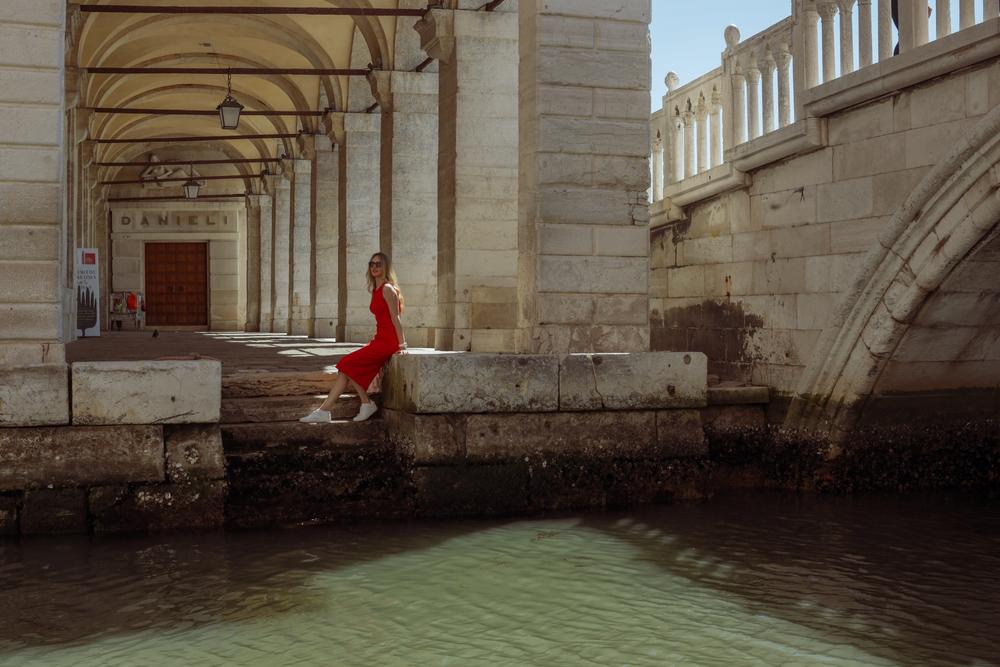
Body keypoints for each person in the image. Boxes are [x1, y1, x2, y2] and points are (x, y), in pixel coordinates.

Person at [300, 252, 407, 423]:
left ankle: (334, 410)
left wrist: (402, 345)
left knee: (346, 363)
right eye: (371, 264)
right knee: (346, 367)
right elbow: (382, 320)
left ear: (386, 267)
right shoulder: (376, 289)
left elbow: (396, 319)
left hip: (388, 342)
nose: (374, 267)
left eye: (378, 264)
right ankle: (349, 406)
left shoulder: (387, 289)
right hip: (379, 339)